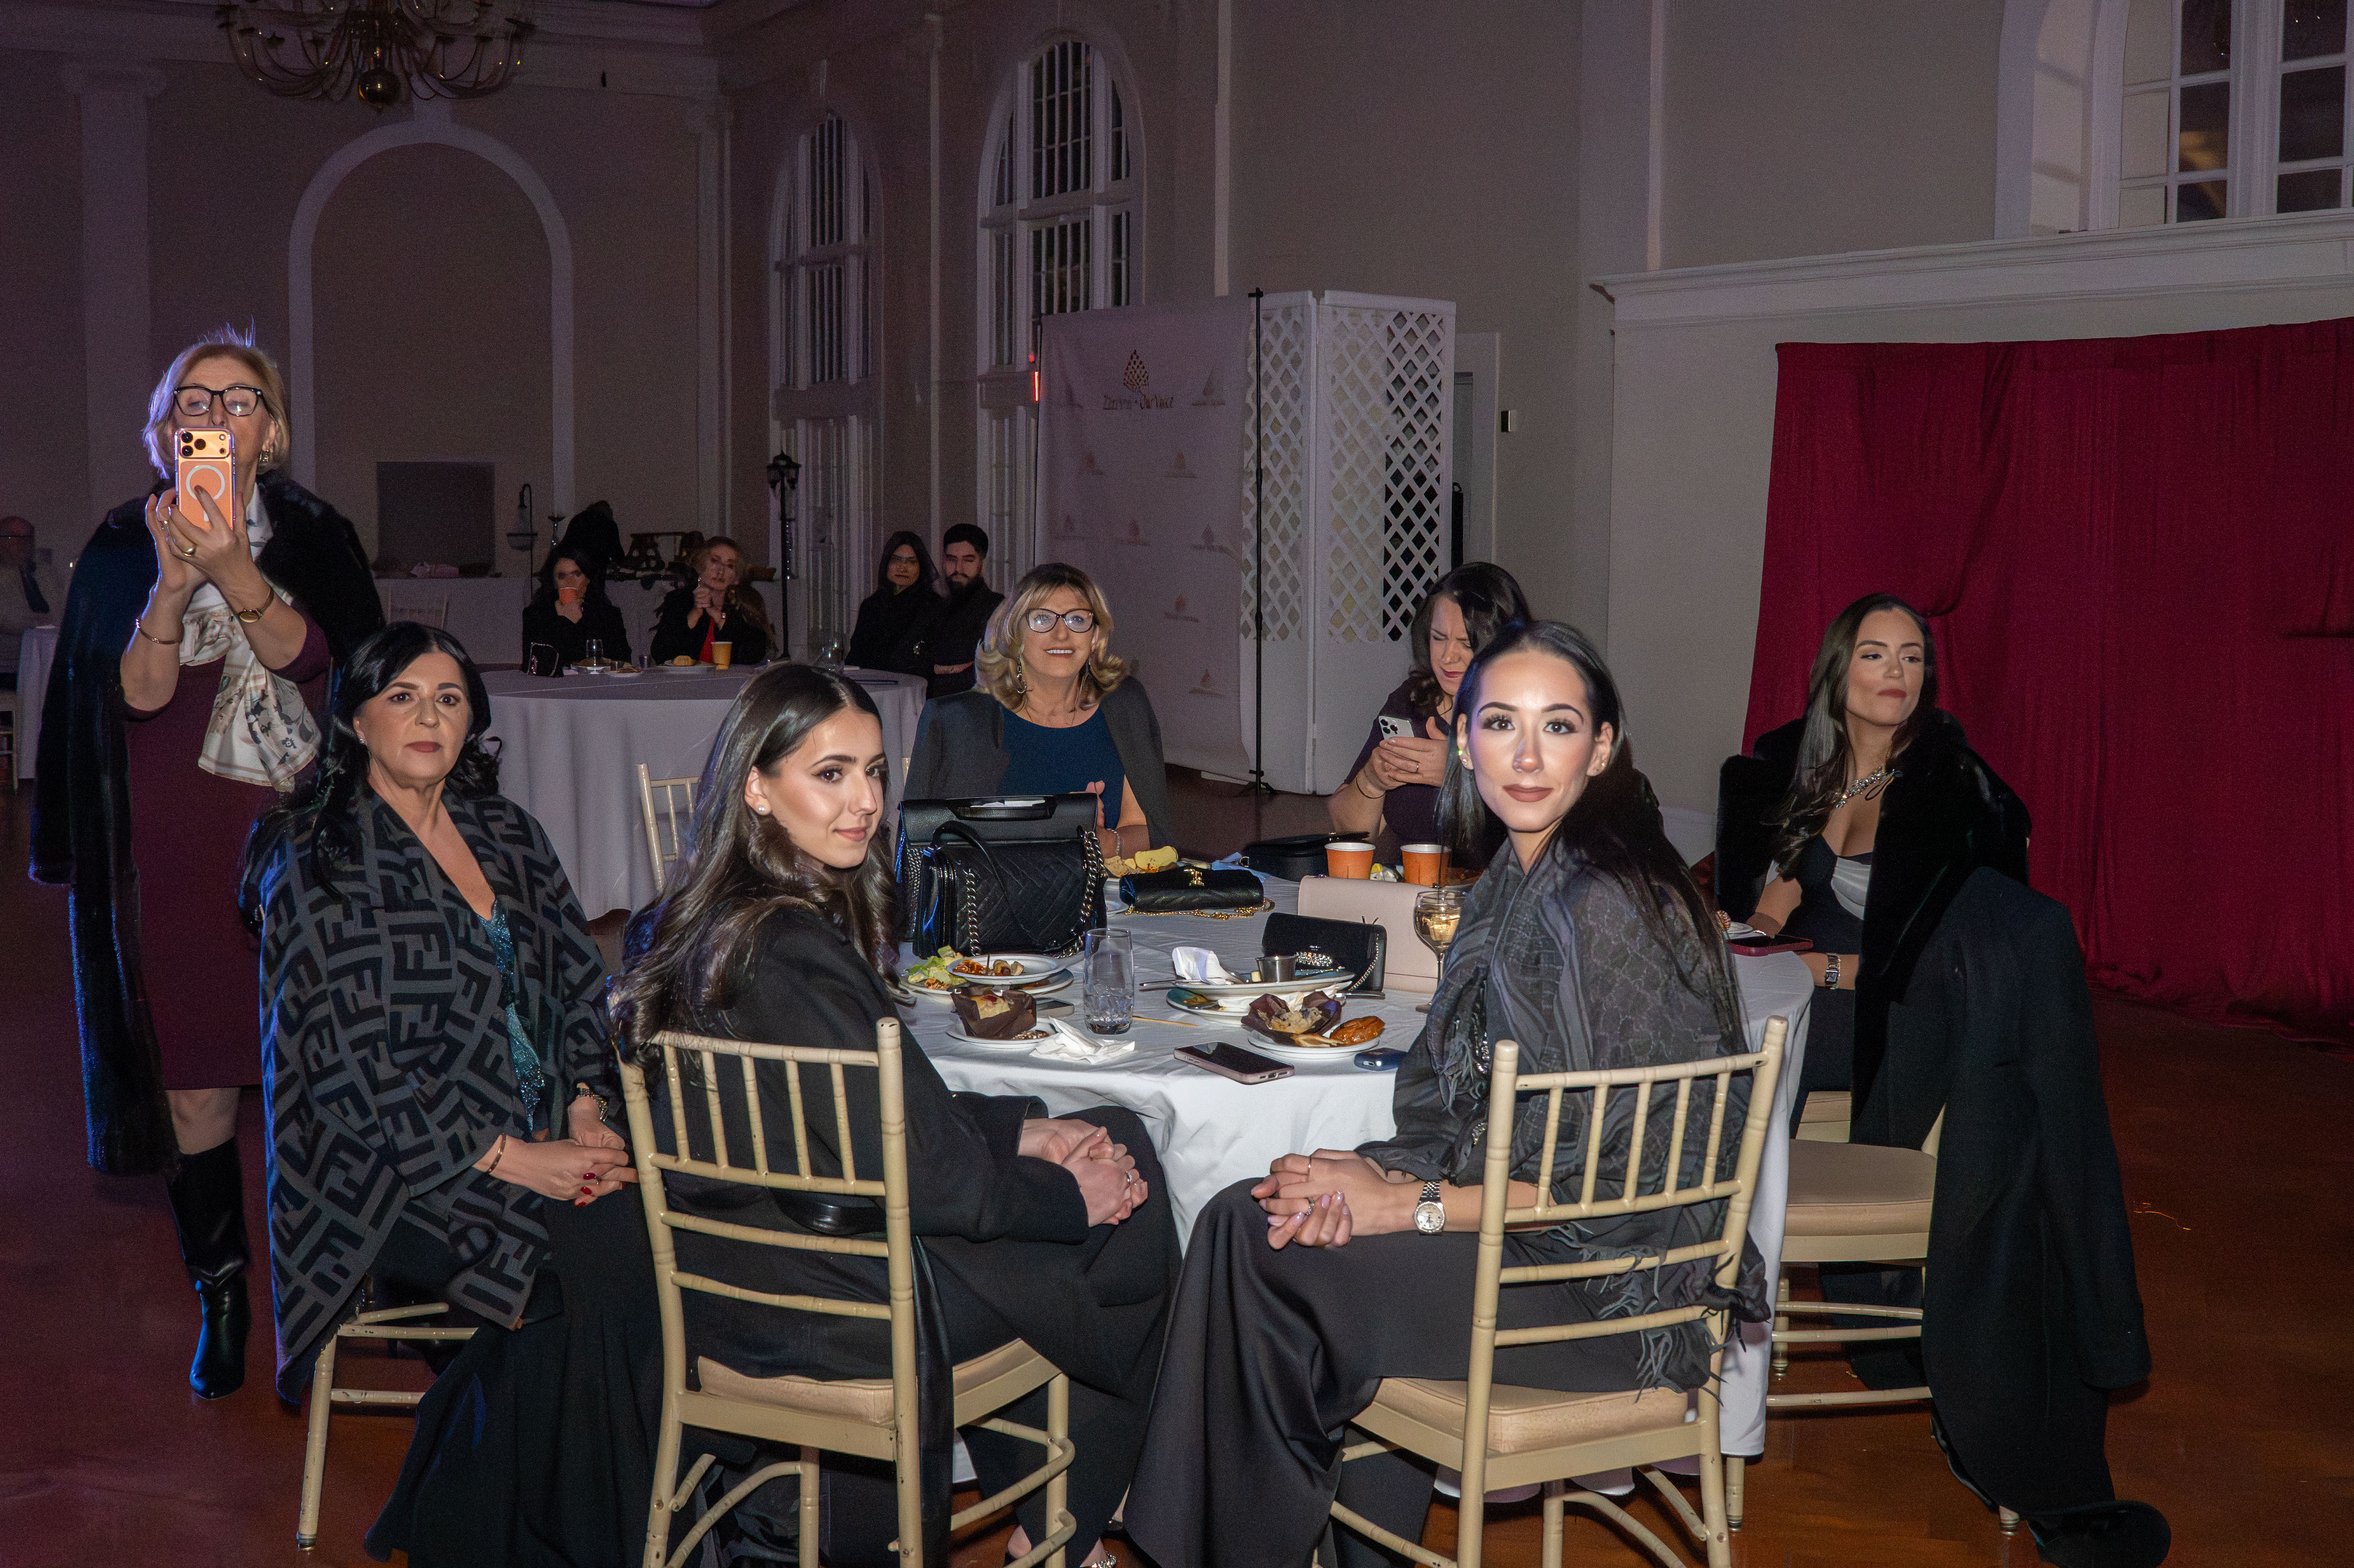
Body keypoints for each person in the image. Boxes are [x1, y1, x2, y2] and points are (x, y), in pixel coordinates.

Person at [1126, 621, 1758, 1568]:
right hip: (1528, 1247)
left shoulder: (1607, 902)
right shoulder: (1526, 868)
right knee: (1249, 1216)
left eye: (1558, 725)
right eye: (1501, 722)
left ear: (1602, 743)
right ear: (1465, 741)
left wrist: (1407, 1204)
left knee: (1262, 1256)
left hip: (1606, 1297)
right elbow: (1468, 1110)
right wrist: (1371, 1170)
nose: (1528, 754)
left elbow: (1610, 1190)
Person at [613, 663, 1177, 1568]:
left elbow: (855, 1111)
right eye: (829, 773)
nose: (865, 800)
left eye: (874, 772)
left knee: (1108, 1129)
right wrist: (1071, 1199)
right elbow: (937, 1181)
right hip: (842, 1301)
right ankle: (1056, 1537)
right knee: (1136, 1205)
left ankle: (1042, 1514)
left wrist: (1022, 1131)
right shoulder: (789, 946)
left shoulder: (685, 921)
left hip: (738, 1277)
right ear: (757, 785)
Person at [243, 623, 657, 1566]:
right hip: (386, 1172)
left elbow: (577, 984)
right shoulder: (315, 855)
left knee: (667, 1233)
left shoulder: (507, 831)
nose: (428, 715)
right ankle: (523, 1528)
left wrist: (588, 1106)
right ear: (354, 718)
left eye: (449, 697)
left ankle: (510, 1518)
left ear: (474, 719)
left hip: (546, 1132)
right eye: (402, 696)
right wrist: (522, 1159)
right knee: (596, 1266)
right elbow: (345, 1065)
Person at [28, 325, 382, 1400]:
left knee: (314, 1083)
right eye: (197, 400)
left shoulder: (316, 537)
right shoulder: (118, 544)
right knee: (196, 1088)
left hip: (300, 842)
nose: (217, 415)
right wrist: (179, 582)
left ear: (270, 431)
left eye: (240, 401)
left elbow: (329, 663)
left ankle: (320, 1300)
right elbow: (130, 694)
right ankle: (222, 1295)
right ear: (165, 428)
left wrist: (236, 564)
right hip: (174, 845)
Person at [1714, 593, 2029, 1121]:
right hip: (1804, 980)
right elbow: (1783, 890)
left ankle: (1749, 1194)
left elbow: (1954, 960)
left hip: (1889, 1009)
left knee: (1758, 1050)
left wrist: (1823, 970)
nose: (1896, 672)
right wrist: (1746, 941)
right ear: (1836, 670)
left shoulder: (1946, 790)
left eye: (1911, 657)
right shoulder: (1820, 771)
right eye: (1874, 655)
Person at [905, 561, 1171, 856]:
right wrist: (1057, 827)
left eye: (1078, 620)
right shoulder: (960, 722)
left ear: (1095, 637)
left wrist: (1108, 843)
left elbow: (1146, 829)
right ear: (1014, 633)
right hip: (992, 895)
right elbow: (927, 847)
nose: (1062, 634)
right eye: (1043, 619)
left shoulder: (1125, 705)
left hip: (1101, 898)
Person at [1328, 561, 1528, 863]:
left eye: (1466, 643)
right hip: (1415, 897)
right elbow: (1351, 834)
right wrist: (1372, 781)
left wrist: (1460, 773)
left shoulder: (1531, 712)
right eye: (1439, 638)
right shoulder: (1412, 703)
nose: (1448, 657)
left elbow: (1543, 831)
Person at [648, 535, 772, 666]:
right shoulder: (679, 600)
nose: (721, 571)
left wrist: (721, 620)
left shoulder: (744, 603)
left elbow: (753, 655)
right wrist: (695, 614)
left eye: (730, 566)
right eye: (715, 561)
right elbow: (660, 653)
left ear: (736, 578)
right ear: (700, 566)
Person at [521, 540, 632, 670]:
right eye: (562, 576)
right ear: (555, 582)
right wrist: (564, 621)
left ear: (588, 578)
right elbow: (536, 667)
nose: (570, 582)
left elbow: (622, 662)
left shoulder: (607, 615)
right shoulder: (537, 615)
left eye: (577, 575)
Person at [846, 529, 943, 674]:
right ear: (886, 564)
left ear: (921, 567)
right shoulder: (871, 606)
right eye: (896, 560)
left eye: (911, 562)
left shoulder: (932, 606)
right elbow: (855, 658)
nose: (903, 568)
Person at [925, 522, 1003, 698]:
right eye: (952, 560)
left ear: (982, 567)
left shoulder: (997, 608)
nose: (958, 569)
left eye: (968, 561)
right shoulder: (935, 607)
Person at [0, 514, 60, 689]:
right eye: (18, 538)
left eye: (29, 538)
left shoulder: (44, 572)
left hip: (46, 663)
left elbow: (59, 611)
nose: (26, 544)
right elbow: (6, 619)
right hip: (7, 666)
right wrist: (39, 624)